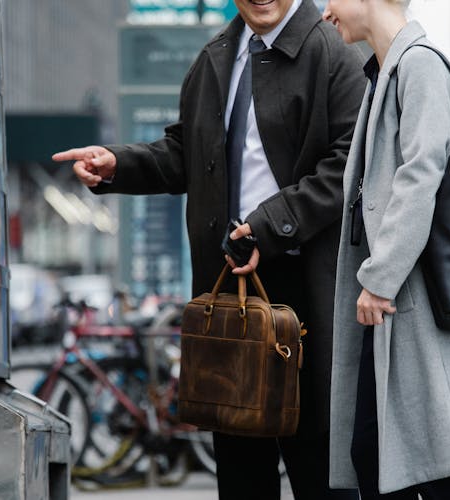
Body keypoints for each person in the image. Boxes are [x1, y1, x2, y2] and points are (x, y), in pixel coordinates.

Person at [52, 0, 365, 498]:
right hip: (227, 297)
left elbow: (351, 163)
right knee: (240, 473)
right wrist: (117, 164)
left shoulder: (332, 52)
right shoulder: (217, 55)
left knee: (319, 472)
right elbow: (185, 154)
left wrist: (269, 225)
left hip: (306, 300)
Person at [322, 0, 450, 499]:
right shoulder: (388, 72)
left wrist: (379, 278)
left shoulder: (418, 64)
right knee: (383, 456)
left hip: (407, 299)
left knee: (432, 464)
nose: (326, 11)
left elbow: (420, 177)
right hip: (398, 303)